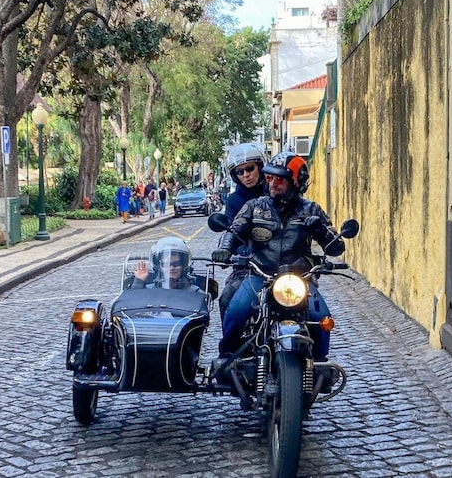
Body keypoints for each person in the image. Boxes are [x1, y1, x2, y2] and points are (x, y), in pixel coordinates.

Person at [212, 151, 345, 361]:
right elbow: (235, 231)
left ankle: (320, 364)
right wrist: (225, 250)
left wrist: (320, 229)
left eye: (280, 179)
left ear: (296, 182)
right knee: (236, 310)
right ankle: (227, 355)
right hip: (259, 275)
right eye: (270, 177)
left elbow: (336, 248)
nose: (273, 183)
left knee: (322, 319)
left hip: (300, 279)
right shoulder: (254, 207)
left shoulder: (310, 209)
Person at [217, 143, 269, 321]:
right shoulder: (233, 201)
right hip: (249, 266)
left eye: (250, 168)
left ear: (260, 167)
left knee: (314, 306)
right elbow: (231, 231)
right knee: (227, 299)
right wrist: (227, 251)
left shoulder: (276, 192)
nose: (246, 175)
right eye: (240, 172)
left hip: (282, 262)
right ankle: (228, 348)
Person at [130, 236, 200, 290]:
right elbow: (131, 303)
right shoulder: (149, 290)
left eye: (176, 264)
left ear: (183, 265)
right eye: (166, 264)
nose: (171, 268)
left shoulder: (196, 293)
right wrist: (139, 282)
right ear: (159, 266)